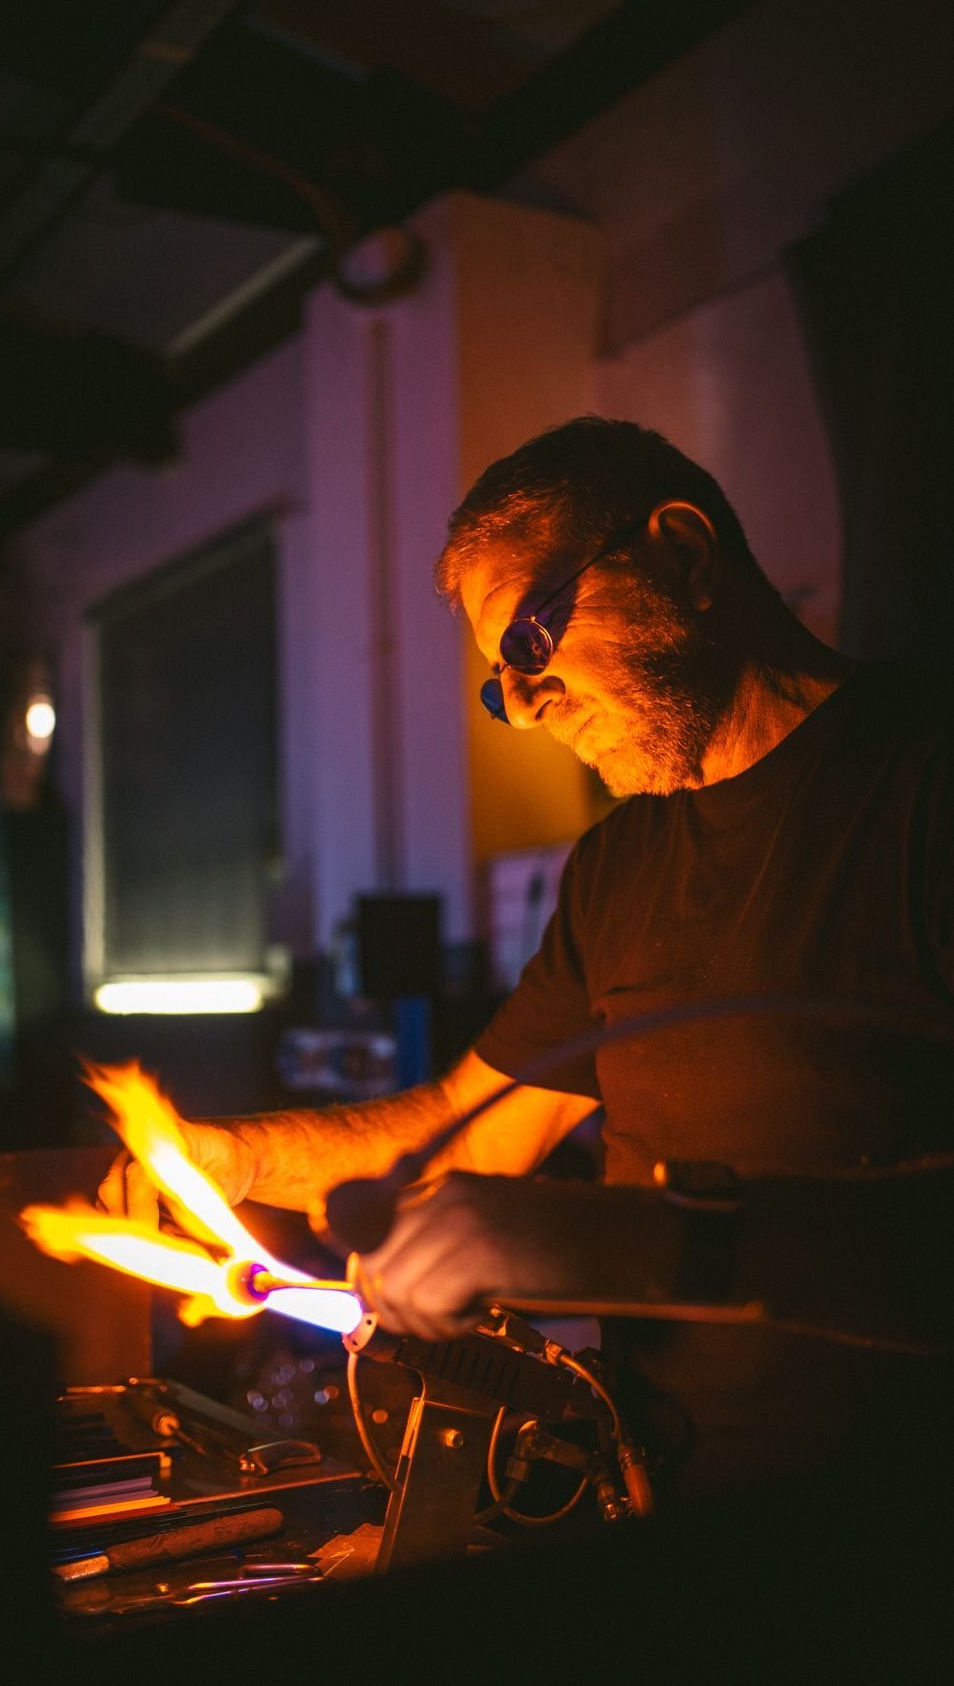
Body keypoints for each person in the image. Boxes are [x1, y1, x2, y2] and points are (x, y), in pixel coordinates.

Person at [109, 416, 954, 1500]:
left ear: (680, 555)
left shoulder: (922, 787)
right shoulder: (614, 867)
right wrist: (227, 1159)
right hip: (661, 1512)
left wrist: (615, 1240)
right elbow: (466, 1131)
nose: (521, 707)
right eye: (495, 683)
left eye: (526, 642)